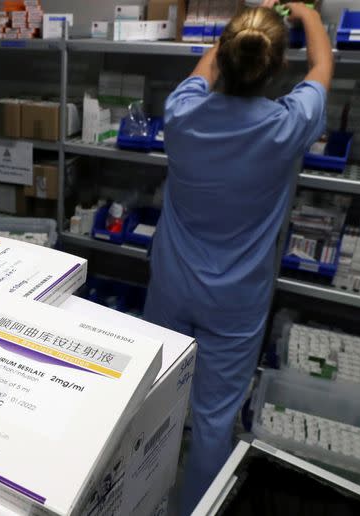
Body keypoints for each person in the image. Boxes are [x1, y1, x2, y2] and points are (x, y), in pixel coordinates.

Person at [143, 1, 334, 513]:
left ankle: (139, 498)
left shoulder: (182, 112)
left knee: (155, 399)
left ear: (222, 54)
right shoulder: (287, 124)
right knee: (212, 419)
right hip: (236, 300)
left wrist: (251, 20)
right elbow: (322, 67)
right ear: (277, 69)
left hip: (172, 283)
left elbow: (205, 68)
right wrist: (305, 12)